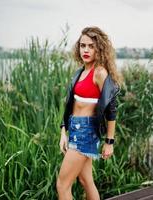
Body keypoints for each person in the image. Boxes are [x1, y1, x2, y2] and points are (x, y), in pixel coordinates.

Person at [56, 26, 122, 200]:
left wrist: (109, 142)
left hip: (85, 132)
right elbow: (70, 105)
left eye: (91, 46)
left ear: (99, 49)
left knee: (62, 185)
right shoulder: (80, 72)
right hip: (76, 129)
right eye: (83, 45)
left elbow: (111, 109)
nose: (86, 50)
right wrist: (64, 130)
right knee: (86, 181)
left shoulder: (99, 73)